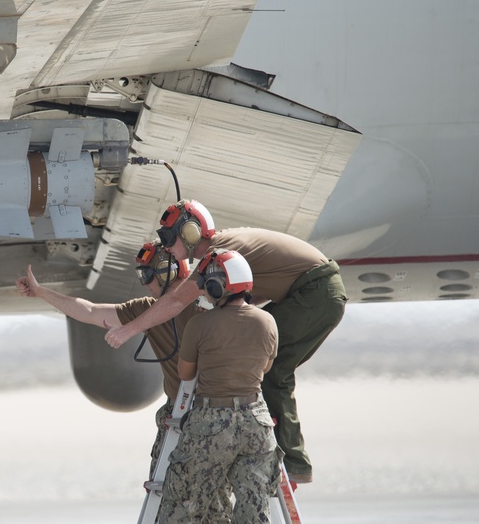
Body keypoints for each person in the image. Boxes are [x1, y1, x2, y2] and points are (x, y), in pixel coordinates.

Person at [15, 241, 237, 524]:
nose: (145, 283)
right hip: (180, 414)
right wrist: (42, 293)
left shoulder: (205, 307)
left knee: (208, 502)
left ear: (164, 273)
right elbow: (87, 310)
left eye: (147, 275)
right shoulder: (149, 309)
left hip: (207, 414)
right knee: (183, 498)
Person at [104, 200, 347, 484]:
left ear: (191, 233)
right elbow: (244, 301)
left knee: (271, 372)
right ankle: (275, 454)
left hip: (315, 292)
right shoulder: (223, 253)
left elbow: (176, 300)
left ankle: (292, 463)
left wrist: (127, 330)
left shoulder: (220, 251)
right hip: (309, 292)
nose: (167, 248)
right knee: (254, 354)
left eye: (169, 239)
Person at [120, 249, 280, 524]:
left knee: (182, 504)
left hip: (211, 424)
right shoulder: (267, 323)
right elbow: (267, 367)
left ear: (216, 284)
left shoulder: (200, 325)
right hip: (256, 422)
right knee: (254, 508)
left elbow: (187, 374)